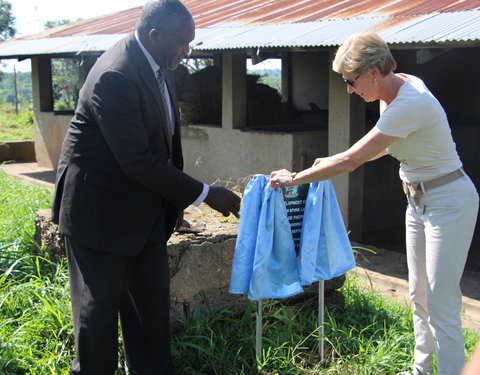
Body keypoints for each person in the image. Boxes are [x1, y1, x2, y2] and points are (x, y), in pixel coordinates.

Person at [269, 32, 478, 375]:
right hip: (418, 201)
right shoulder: (393, 92)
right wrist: (326, 162)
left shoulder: (410, 102)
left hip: (449, 203)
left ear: (374, 72)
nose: (349, 89)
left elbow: (354, 159)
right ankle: (422, 369)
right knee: (418, 296)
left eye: (351, 81)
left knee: (441, 303)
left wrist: (297, 177)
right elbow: (375, 149)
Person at [51, 0, 240, 374]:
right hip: (98, 215)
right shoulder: (116, 74)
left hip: (144, 211)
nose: (188, 51)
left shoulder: (160, 64)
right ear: (155, 36)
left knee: (150, 311)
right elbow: (136, 159)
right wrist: (205, 194)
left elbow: (164, 144)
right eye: (182, 43)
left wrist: (174, 204)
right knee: (97, 316)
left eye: (191, 42)